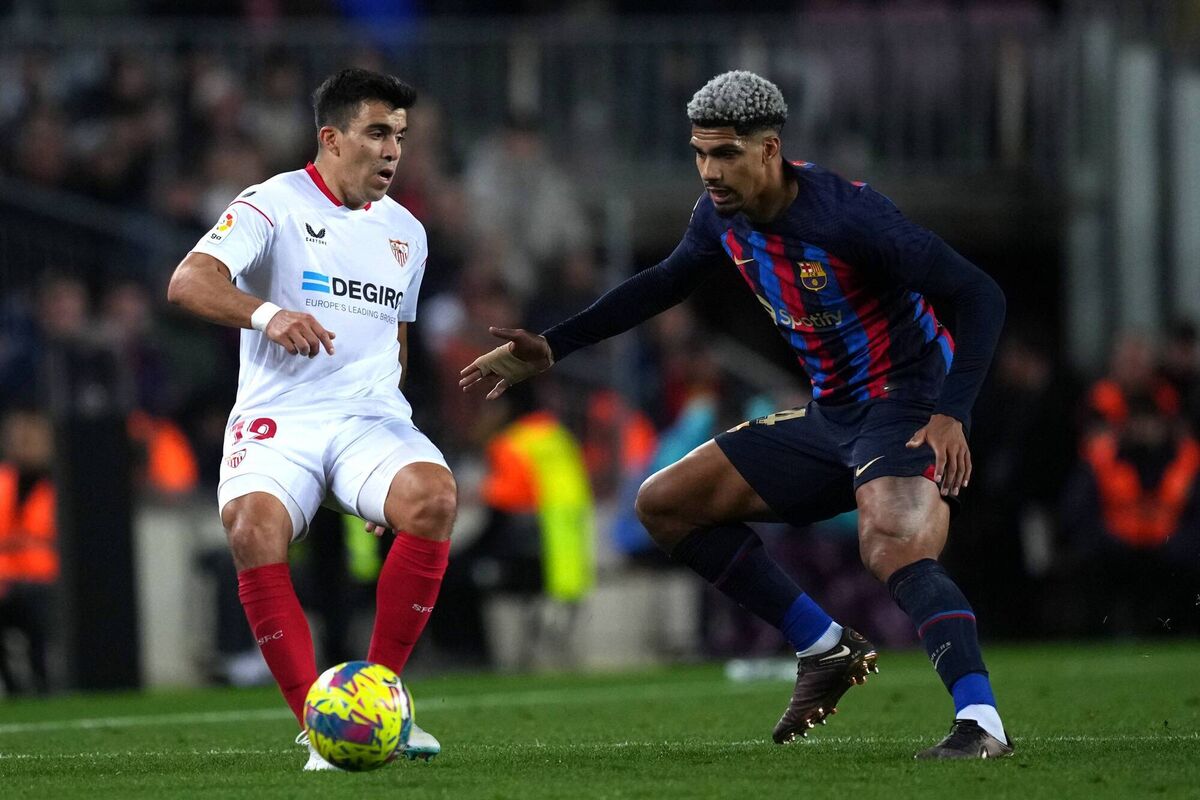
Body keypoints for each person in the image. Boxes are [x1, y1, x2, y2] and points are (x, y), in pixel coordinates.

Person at [461, 71, 1010, 759]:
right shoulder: (717, 216)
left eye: (725, 154)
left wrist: (953, 412)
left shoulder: (849, 217)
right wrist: (552, 346)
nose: (709, 171)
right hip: (831, 416)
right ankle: (825, 647)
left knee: (892, 544)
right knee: (664, 504)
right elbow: (662, 284)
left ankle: (981, 722)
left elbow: (981, 295)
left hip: (905, 404)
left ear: (770, 149)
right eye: (700, 153)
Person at [167, 67, 455, 771]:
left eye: (401, 137)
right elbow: (188, 282)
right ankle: (321, 728)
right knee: (252, 527)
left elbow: (396, 338)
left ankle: (385, 703)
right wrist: (268, 314)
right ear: (331, 137)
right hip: (282, 417)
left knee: (434, 497)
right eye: (377, 133)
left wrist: (390, 470)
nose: (393, 150)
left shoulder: (407, 234)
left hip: (367, 419)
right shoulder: (271, 204)